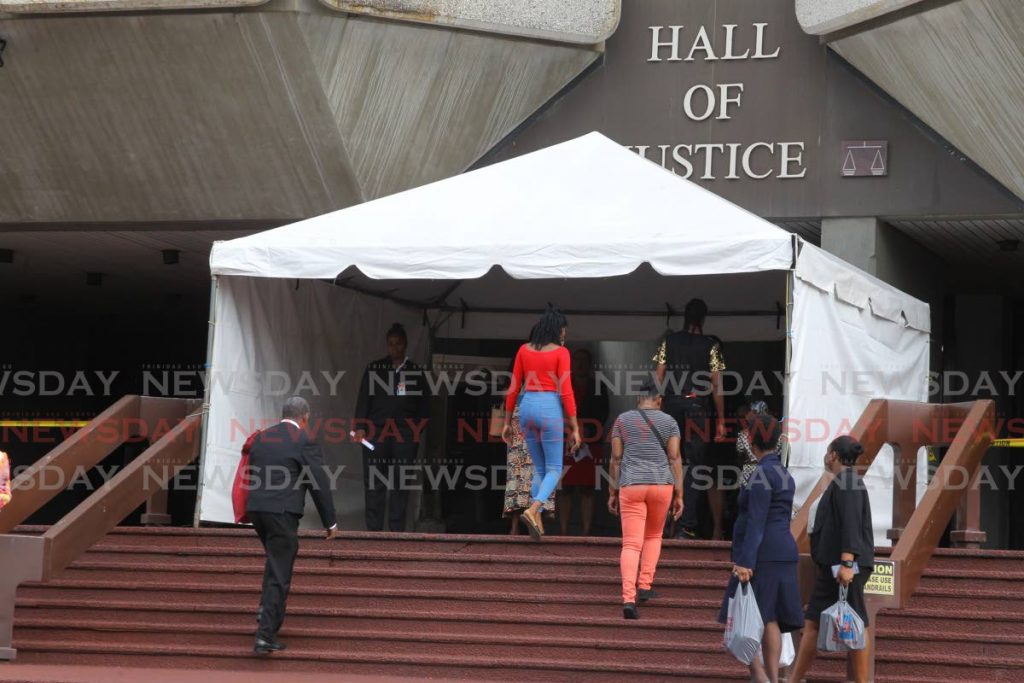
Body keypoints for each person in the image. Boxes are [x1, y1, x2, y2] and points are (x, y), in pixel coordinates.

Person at [245, 396, 338, 655]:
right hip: (281, 512)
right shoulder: (303, 441)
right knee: (280, 572)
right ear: (305, 417)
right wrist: (329, 521)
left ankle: (265, 610)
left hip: (257, 510)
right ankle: (265, 635)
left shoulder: (262, 437)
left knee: (274, 562)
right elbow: (317, 483)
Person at [718, 414, 802, 683]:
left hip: (761, 554)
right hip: (783, 551)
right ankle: (772, 679)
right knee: (771, 617)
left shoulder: (761, 473)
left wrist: (745, 561)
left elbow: (756, 521)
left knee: (744, 612)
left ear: (752, 440)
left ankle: (759, 675)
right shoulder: (783, 473)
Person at [789, 435, 874, 683]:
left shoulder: (847, 482)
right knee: (813, 622)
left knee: (857, 624)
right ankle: (795, 679)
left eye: (827, 452)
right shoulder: (842, 481)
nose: (826, 457)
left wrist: (847, 563)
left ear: (834, 455)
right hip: (831, 567)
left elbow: (851, 524)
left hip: (845, 568)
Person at [501, 305, 581, 541]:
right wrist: (575, 427)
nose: (565, 335)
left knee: (541, 468)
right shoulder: (561, 353)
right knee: (555, 468)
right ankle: (534, 510)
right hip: (549, 407)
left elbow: (514, 387)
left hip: (526, 409)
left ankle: (534, 523)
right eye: (564, 331)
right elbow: (566, 392)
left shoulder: (523, 350)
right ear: (557, 330)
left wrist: (507, 422)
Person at [608, 381, 684, 619]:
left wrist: (613, 490)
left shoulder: (622, 420)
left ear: (637, 399)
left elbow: (616, 458)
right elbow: (674, 458)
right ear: (659, 400)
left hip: (632, 484)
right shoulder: (669, 422)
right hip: (662, 485)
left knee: (631, 544)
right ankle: (645, 586)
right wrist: (680, 493)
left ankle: (628, 598)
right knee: (653, 535)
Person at [655, 298, 727, 540]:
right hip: (698, 406)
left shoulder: (669, 341)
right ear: (704, 319)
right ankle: (686, 526)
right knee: (696, 467)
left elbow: (659, 374)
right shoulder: (710, 346)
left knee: (668, 461)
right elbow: (716, 385)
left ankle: (663, 520)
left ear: (684, 317)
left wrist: (657, 405)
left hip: (672, 404)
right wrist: (720, 420)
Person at [353, 322, 429, 532]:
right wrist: (360, 426)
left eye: (398, 344)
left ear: (405, 345)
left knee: (400, 484)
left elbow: (425, 406)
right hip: (376, 433)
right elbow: (363, 399)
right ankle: (374, 531)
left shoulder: (416, 372)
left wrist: (415, 430)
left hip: (404, 435)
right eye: (390, 344)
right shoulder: (375, 368)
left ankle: (396, 533)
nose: (394, 348)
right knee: (374, 482)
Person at [559, 348, 609, 536]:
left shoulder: (598, 386)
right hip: (566, 441)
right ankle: (563, 532)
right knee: (565, 488)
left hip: (590, 443)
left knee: (588, 488)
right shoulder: (564, 386)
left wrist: (588, 430)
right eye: (576, 360)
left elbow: (604, 412)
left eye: (584, 360)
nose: (580, 364)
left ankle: (586, 533)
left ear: (590, 364)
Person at [502, 399, 556, 533]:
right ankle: (524, 525)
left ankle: (519, 527)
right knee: (523, 478)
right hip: (523, 440)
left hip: (526, 438)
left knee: (522, 479)